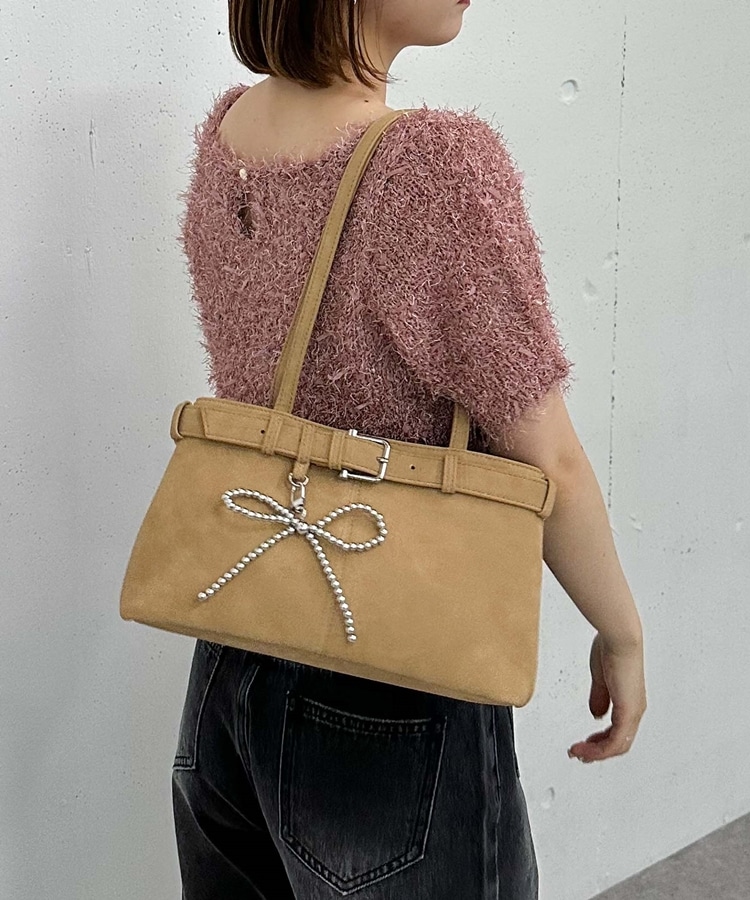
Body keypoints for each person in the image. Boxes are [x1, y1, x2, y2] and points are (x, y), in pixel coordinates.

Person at [170, 1, 647, 897]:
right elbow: (548, 456)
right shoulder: (430, 166)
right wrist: (619, 630)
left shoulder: (230, 132)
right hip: (388, 683)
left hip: (232, 648)